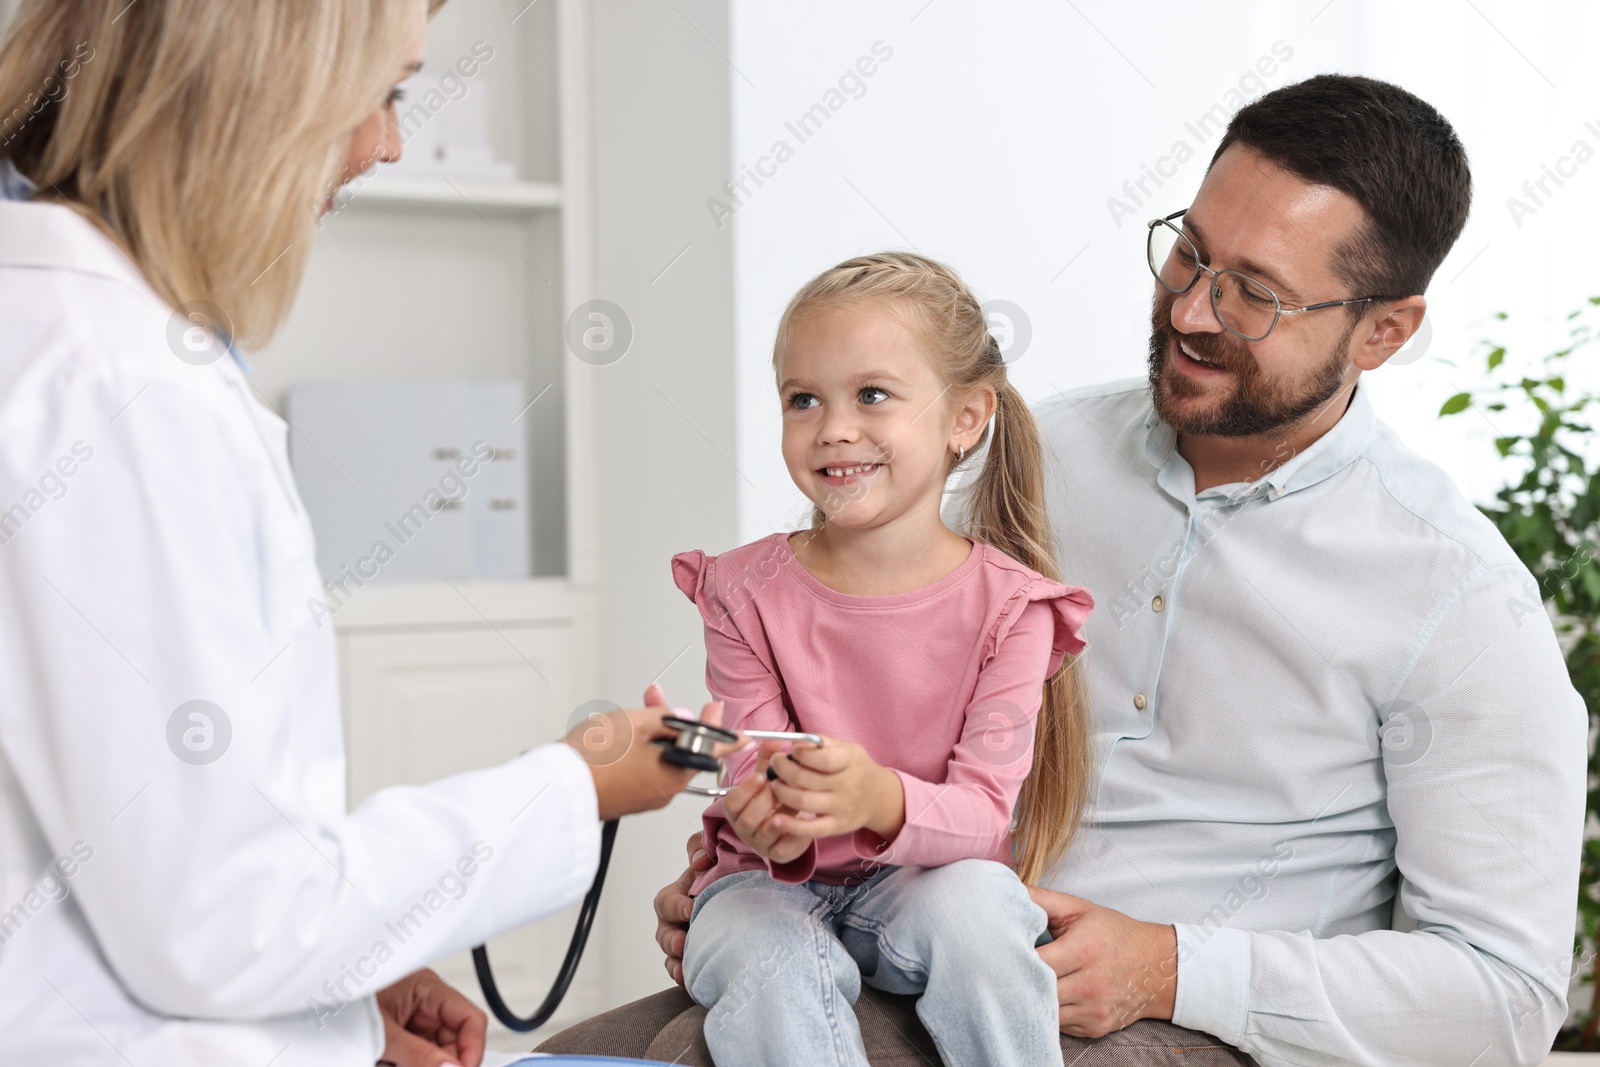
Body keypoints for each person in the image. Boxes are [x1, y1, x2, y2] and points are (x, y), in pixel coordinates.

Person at [539, 75, 1587, 1067]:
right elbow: (870, 691)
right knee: (569, 1058)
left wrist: (1176, 968)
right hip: (910, 923)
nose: (1189, 311)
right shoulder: (1036, 456)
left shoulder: (1458, 598)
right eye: (1187, 253)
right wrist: (763, 846)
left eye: (1254, 295)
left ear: (1384, 331)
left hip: (1164, 1022)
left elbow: (1506, 991)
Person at [0, 3, 738, 1065]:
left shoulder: (79, 346)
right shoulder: (118, 387)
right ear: (263, 93)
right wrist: (575, 780)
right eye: (388, 94)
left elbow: (136, 856)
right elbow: (225, 919)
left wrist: (344, 993)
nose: (390, 142)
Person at [671, 253, 1095, 1067]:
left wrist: (876, 798)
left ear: (965, 418)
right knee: (762, 949)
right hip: (767, 886)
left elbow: (981, 815)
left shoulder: (1014, 609)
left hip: (931, 876)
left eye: (872, 394)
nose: (832, 427)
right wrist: (768, 823)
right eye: (803, 399)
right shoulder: (739, 588)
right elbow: (753, 766)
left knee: (983, 909)